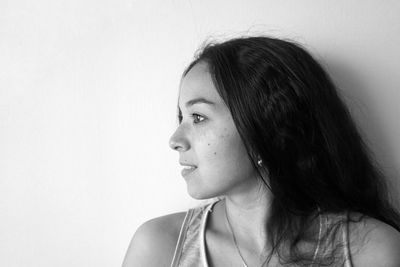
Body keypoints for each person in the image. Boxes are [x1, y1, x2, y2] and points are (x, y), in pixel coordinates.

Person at [122, 36, 400, 267]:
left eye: (198, 117)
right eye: (180, 117)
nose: (175, 140)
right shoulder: (159, 249)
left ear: (265, 127)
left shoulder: (370, 252)